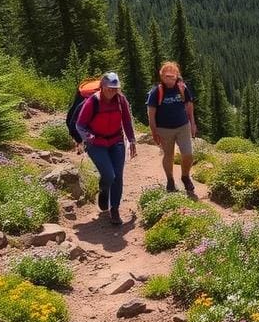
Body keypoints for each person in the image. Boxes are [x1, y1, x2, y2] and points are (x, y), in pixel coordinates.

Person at [76, 72, 137, 226]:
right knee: (109, 175)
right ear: (102, 86)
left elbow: (127, 122)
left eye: (115, 88)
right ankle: (104, 190)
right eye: (109, 88)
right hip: (97, 144)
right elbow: (80, 125)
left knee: (118, 175)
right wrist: (88, 137)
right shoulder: (93, 102)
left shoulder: (121, 100)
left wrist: (132, 141)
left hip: (116, 141)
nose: (112, 91)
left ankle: (114, 209)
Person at [147, 61, 197, 193]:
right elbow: (151, 114)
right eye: (166, 76)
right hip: (164, 129)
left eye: (172, 76)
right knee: (168, 155)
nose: (169, 78)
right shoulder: (156, 91)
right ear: (161, 76)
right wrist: (154, 131)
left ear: (177, 76)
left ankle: (185, 177)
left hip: (183, 126)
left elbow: (189, 105)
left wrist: (193, 123)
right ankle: (170, 180)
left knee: (188, 154)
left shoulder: (182, 87)